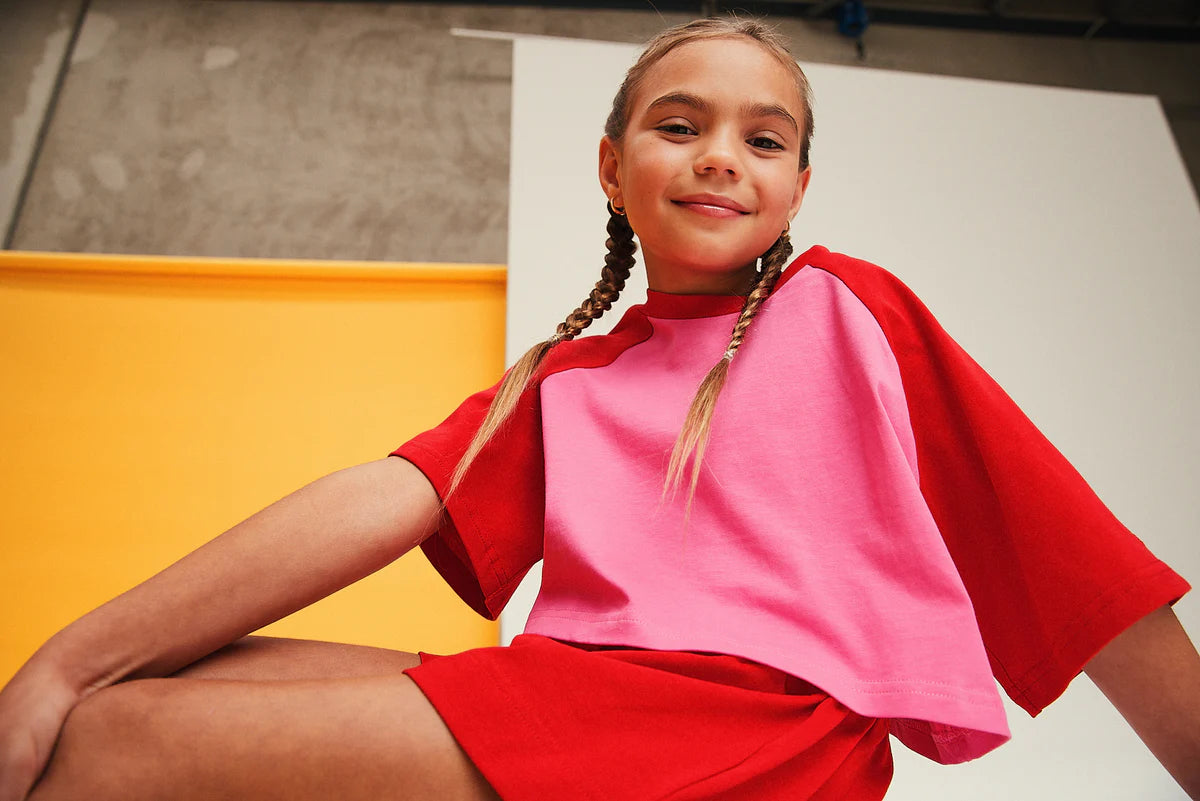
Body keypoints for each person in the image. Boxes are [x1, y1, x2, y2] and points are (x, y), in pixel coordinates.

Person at [1, 16, 1197, 801]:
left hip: (751, 739)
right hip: (597, 707)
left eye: (762, 138)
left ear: (797, 189)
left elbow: (1074, 563)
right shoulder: (570, 381)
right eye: (679, 125)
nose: (722, 154)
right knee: (126, 698)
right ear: (613, 166)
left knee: (115, 750)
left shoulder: (850, 312)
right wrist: (65, 660)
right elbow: (380, 499)